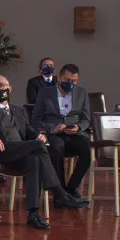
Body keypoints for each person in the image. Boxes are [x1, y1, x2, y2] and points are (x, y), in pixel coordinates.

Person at [0, 75, 68, 229]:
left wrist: (38, 135)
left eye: (1, 85)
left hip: (20, 154)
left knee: (35, 159)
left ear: (10, 88)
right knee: (38, 146)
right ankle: (59, 193)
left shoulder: (18, 110)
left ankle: (33, 213)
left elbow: (29, 131)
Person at [29, 63, 91, 208]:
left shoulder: (81, 93)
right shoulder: (45, 93)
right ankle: (60, 194)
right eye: (67, 80)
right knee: (56, 148)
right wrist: (52, 128)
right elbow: (36, 120)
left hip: (74, 133)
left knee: (86, 150)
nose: (70, 83)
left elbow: (86, 118)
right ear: (59, 78)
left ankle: (70, 189)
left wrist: (78, 127)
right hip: (54, 133)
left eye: (73, 81)